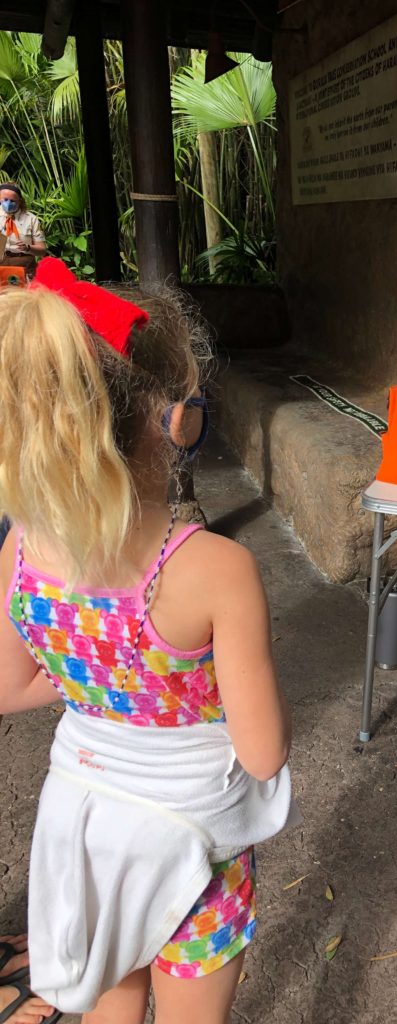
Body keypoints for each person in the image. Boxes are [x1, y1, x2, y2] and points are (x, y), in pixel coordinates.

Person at [0, 257, 293, 1024]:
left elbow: (11, 686)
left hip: (89, 831)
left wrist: (103, 691)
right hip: (193, 850)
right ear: (177, 419)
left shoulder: (22, 546)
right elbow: (263, 755)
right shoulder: (217, 570)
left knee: (112, 999)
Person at [0, 184, 46, 279]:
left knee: (23, 294)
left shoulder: (31, 219)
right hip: (1, 263)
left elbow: (42, 250)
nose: (8, 203)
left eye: (12, 201)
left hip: (24, 264)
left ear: (20, 201)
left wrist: (28, 248)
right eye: (5, 200)